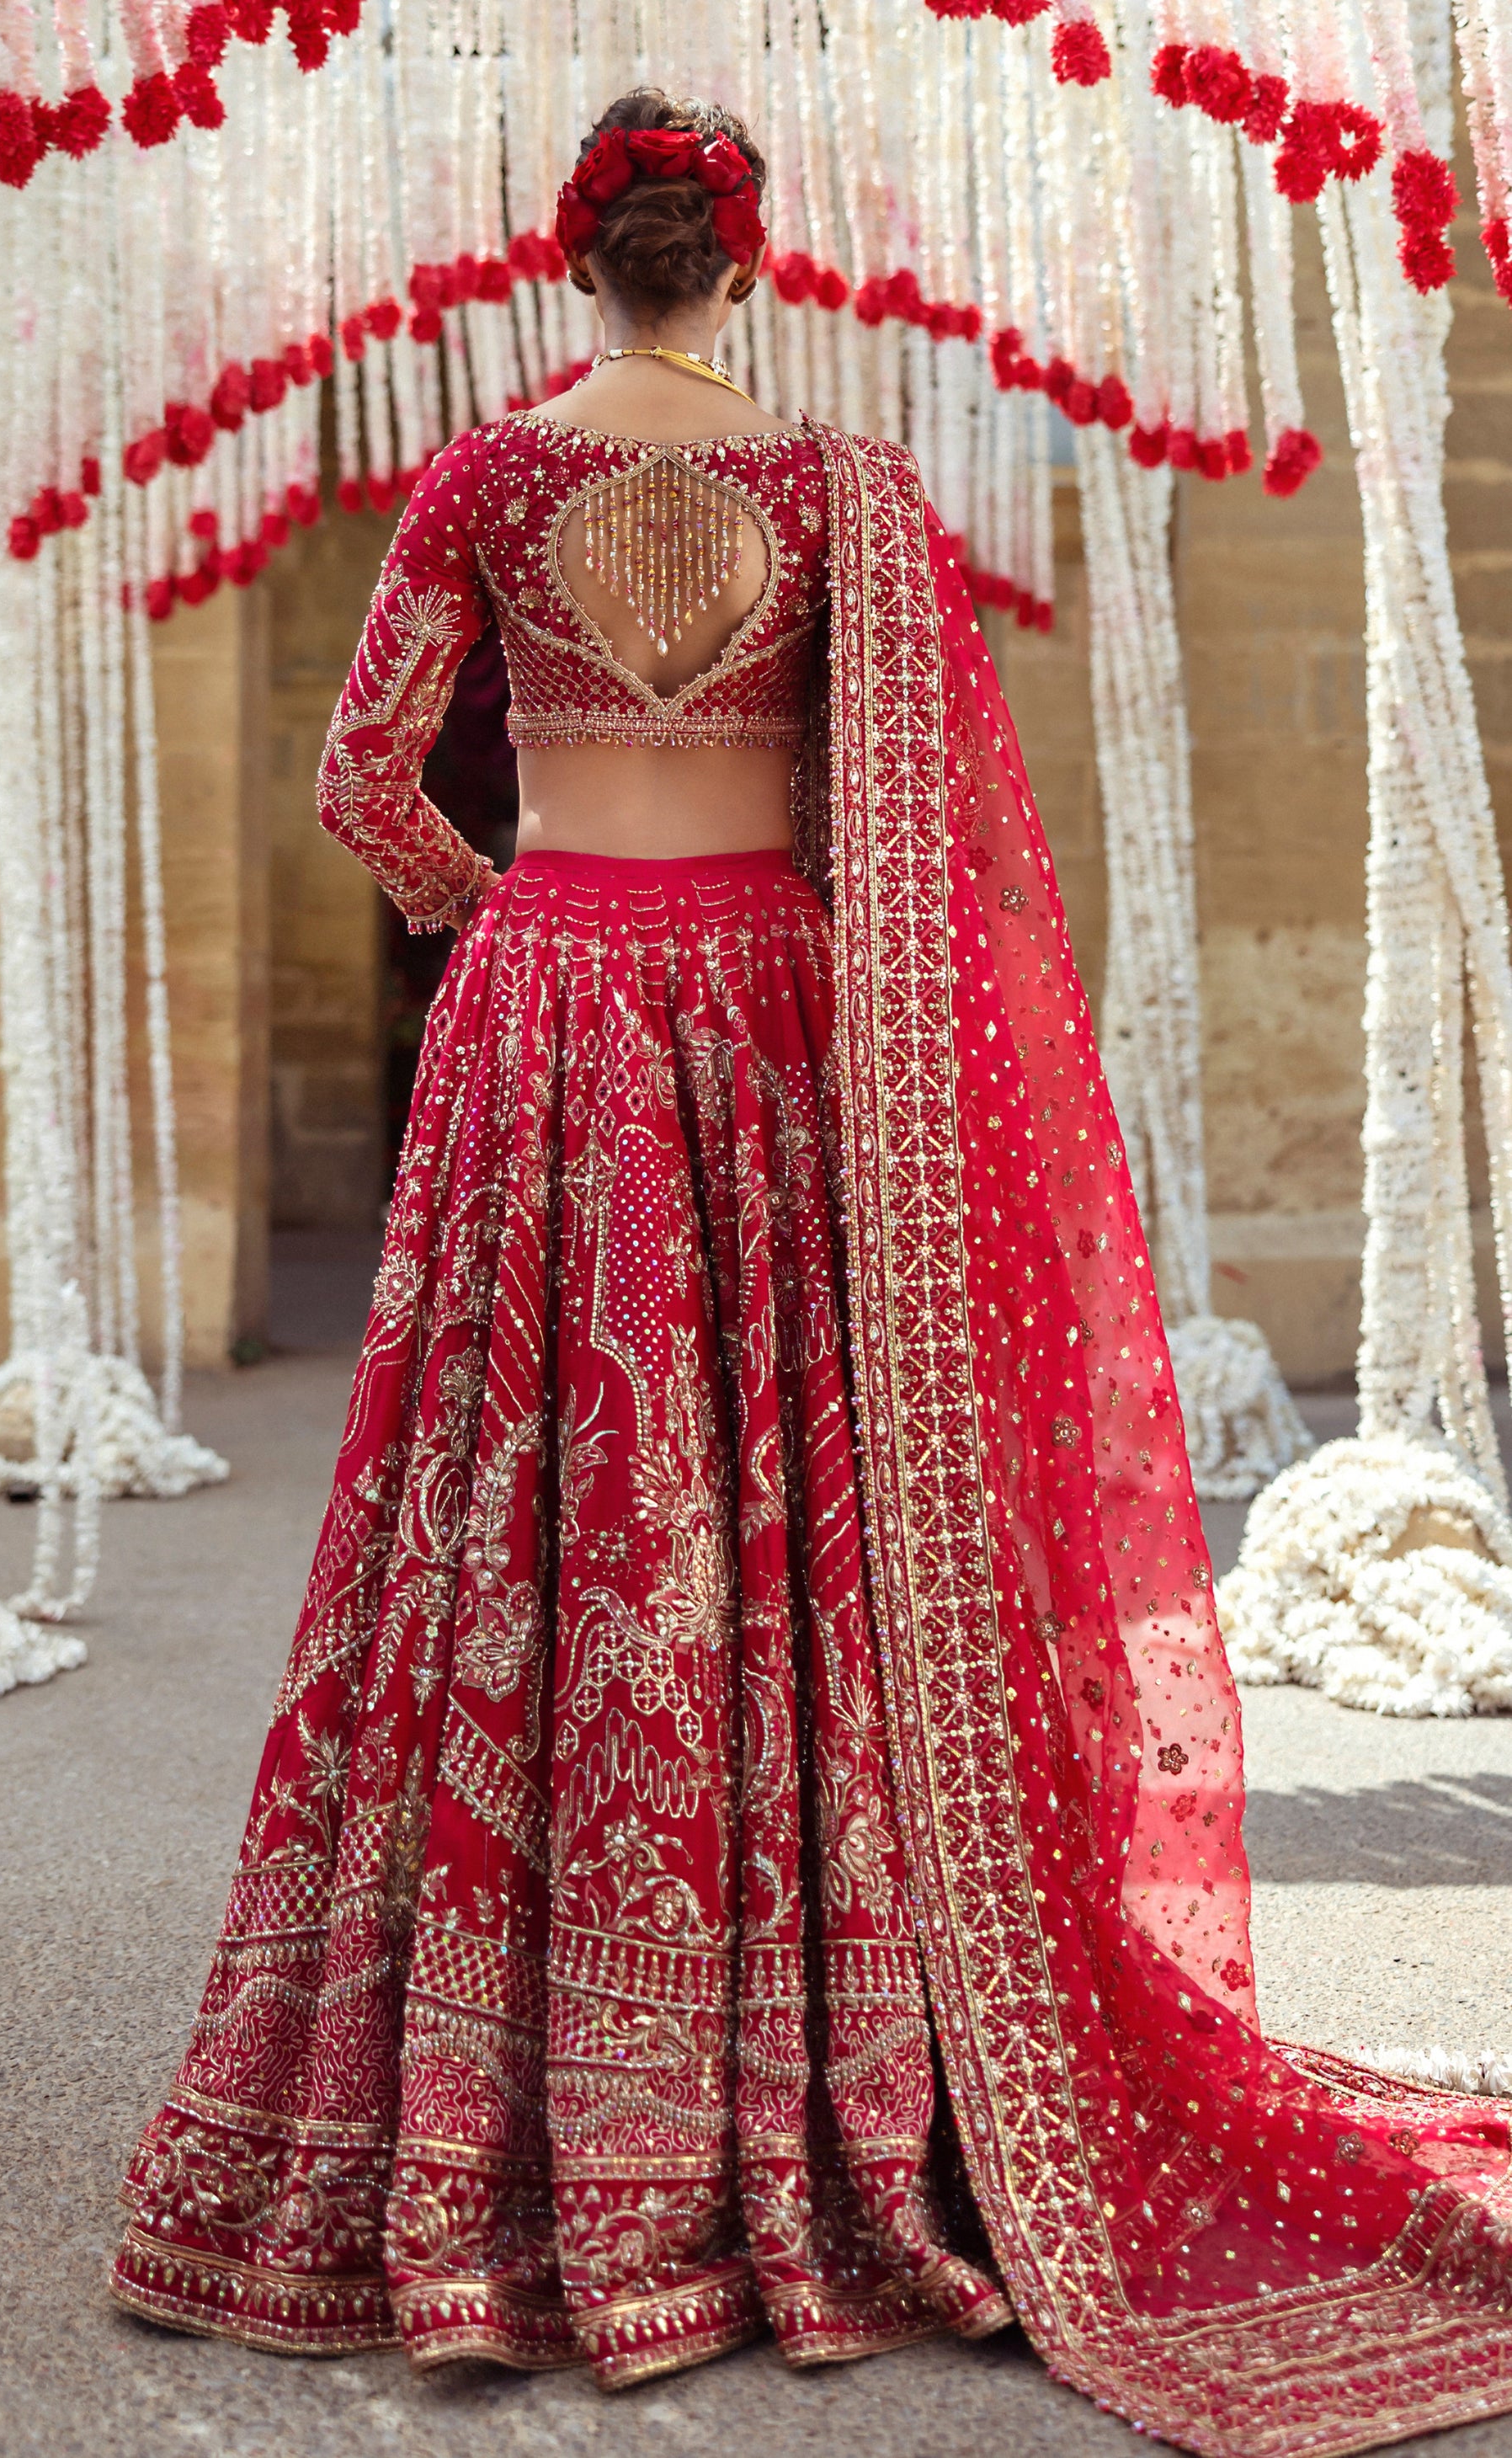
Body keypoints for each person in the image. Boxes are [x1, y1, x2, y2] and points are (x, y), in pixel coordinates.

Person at [110, 88, 1512, 2455]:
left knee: (519, 1515)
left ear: (575, 265)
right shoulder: (836, 490)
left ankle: (492, 2129)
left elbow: (368, 783)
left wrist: (504, 916)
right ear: (745, 266)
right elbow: (926, 824)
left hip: (550, 1010)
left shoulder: (480, 478)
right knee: (780, 1506)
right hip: (767, 1013)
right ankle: (819, 2083)